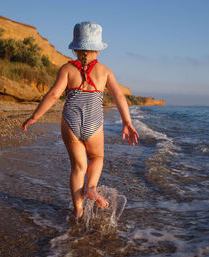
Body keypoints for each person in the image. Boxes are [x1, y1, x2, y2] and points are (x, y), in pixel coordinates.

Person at [22, 21, 139, 219]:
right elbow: (119, 97)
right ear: (98, 49)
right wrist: (127, 121)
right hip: (94, 124)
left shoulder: (67, 69)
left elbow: (52, 95)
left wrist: (35, 116)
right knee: (97, 157)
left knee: (78, 167)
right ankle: (91, 188)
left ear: (75, 48)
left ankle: (78, 210)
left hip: (70, 122)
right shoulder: (104, 71)